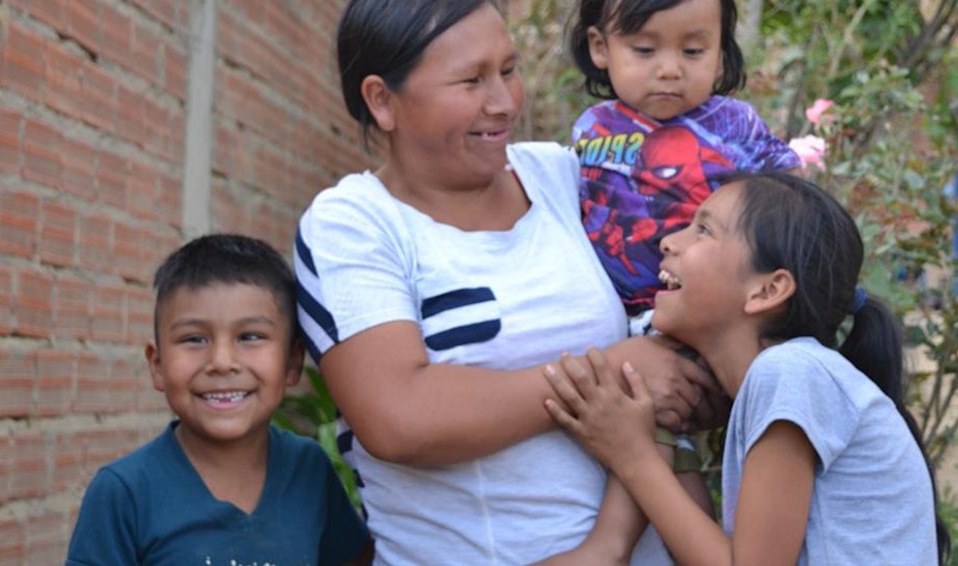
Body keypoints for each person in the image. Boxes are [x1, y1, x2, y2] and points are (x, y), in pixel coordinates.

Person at [295, 1, 714, 565]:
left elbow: (681, 324)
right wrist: (613, 369)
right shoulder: (354, 224)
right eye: (471, 80)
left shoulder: (571, 177)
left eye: (509, 70)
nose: (504, 102)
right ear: (381, 100)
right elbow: (400, 418)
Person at [542, 173, 952, 566]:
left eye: (703, 231)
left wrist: (632, 454)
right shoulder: (782, 381)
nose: (668, 241)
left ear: (767, 290)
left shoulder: (791, 372)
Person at [65, 235, 371, 566]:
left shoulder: (308, 471)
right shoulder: (124, 493)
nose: (222, 362)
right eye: (194, 339)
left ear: (293, 363)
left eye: (250, 337)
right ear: (157, 365)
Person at [568, 0, 801, 315]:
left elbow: (792, 194)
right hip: (602, 311)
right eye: (644, 49)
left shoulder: (733, 124)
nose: (669, 70)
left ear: (719, 55)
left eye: (692, 51)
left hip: (706, 314)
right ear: (601, 48)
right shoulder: (591, 127)